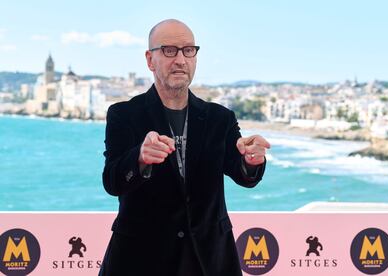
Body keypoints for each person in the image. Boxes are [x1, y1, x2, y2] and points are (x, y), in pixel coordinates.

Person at [99, 19, 271, 276]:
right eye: (169, 50)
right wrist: (140, 159)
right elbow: (112, 182)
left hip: (209, 259)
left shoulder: (219, 118)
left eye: (188, 50)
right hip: (141, 260)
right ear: (149, 60)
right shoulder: (124, 115)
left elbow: (242, 173)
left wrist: (251, 161)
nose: (180, 59)